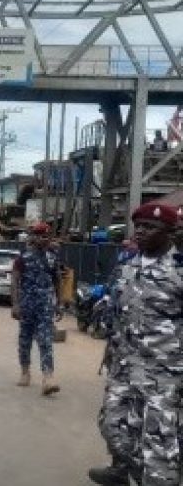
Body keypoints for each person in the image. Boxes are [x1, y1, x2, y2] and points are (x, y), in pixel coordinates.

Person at [88, 203, 183, 486]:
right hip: (125, 365)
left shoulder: (179, 271)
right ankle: (124, 470)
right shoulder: (127, 265)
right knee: (113, 426)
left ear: (169, 232)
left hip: (165, 373)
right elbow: (117, 310)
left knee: (159, 444)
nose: (140, 231)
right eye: (138, 226)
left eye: (150, 227)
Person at [11, 222, 62, 396]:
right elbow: (15, 281)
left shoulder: (53, 256)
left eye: (45, 236)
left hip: (45, 306)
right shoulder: (23, 256)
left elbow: (57, 280)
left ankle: (48, 377)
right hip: (26, 306)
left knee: (45, 340)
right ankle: (25, 371)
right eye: (38, 235)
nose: (41, 239)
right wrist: (15, 304)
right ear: (32, 236)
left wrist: (60, 303)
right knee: (24, 341)